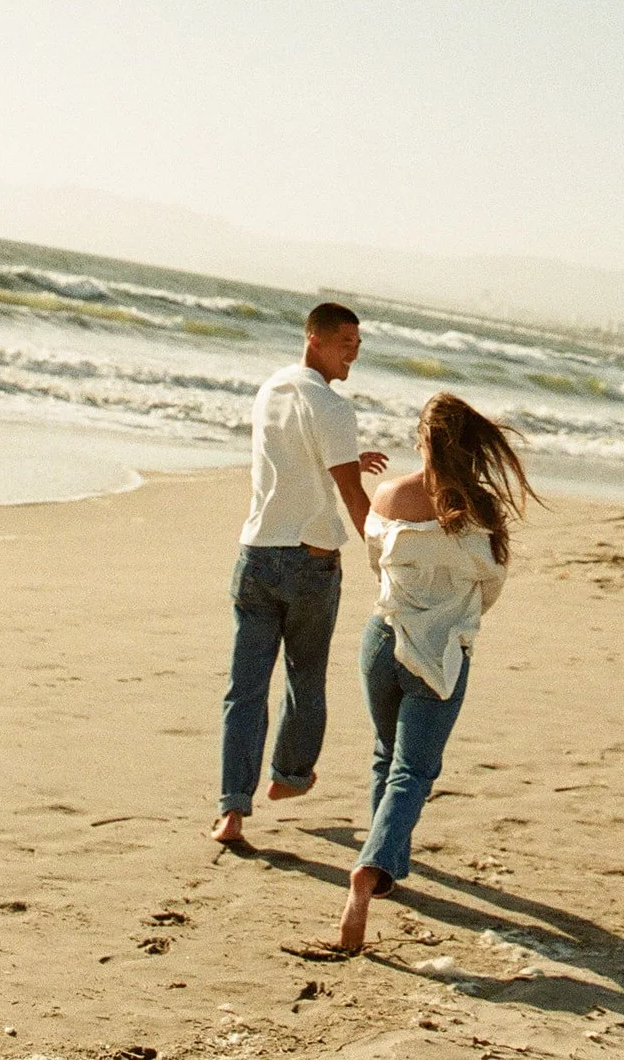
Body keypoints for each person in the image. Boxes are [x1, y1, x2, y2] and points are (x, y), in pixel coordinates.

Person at [337, 392, 539, 951]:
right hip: (441, 652)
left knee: (386, 754)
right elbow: (490, 587)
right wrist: (450, 612)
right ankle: (370, 869)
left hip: (380, 641)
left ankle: (383, 870)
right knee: (413, 771)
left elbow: (377, 558)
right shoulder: (482, 510)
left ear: (421, 440)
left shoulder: (390, 494)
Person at [212, 302, 387, 845]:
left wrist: (349, 460)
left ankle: (231, 811)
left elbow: (291, 462)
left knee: (245, 688)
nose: (353, 353)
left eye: (358, 344)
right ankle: (289, 777)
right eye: (345, 342)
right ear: (314, 338)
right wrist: (383, 561)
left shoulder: (271, 390)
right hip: (309, 564)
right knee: (304, 678)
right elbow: (351, 496)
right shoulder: (334, 408)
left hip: (257, 555)